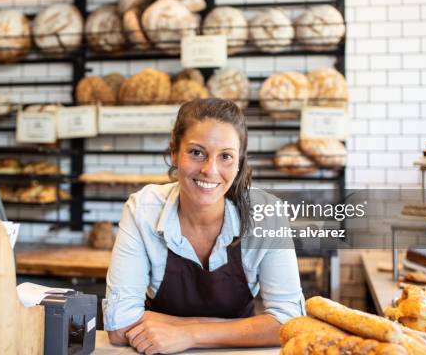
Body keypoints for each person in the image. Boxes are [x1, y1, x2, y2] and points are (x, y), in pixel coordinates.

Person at [102, 98, 304, 354]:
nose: (210, 170)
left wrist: (190, 334)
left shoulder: (267, 214)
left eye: (226, 157)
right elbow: (119, 327)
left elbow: (291, 322)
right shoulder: (143, 210)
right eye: (197, 152)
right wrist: (245, 328)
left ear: (239, 161)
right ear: (174, 152)